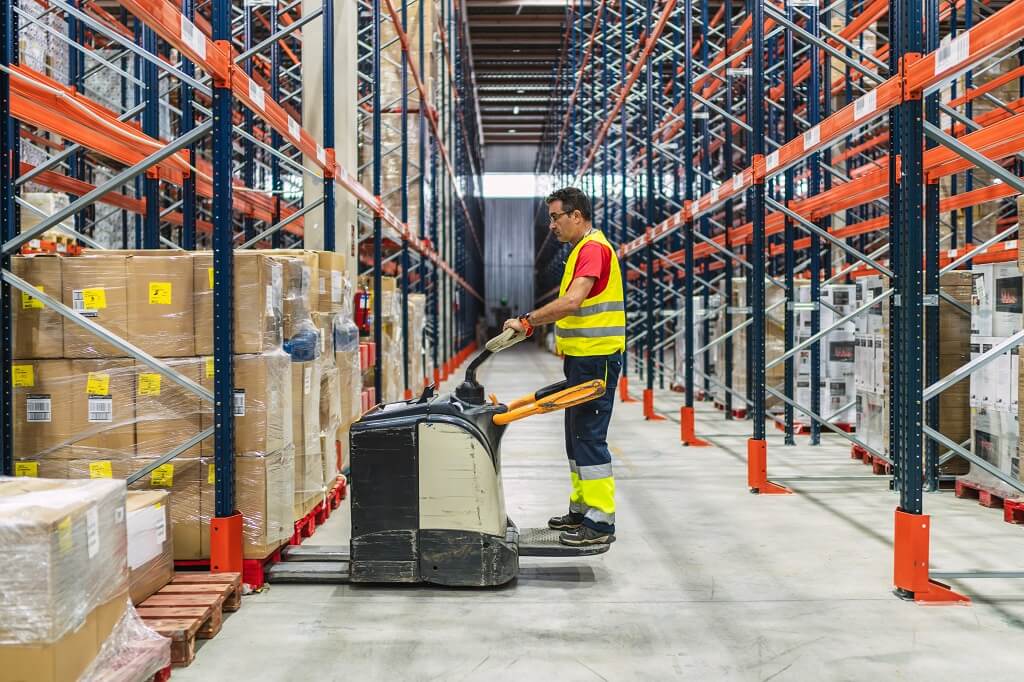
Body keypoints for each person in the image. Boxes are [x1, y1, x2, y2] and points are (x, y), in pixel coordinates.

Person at [503, 187, 624, 547]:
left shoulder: (592, 249)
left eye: (556, 217)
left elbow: (572, 302)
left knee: (589, 437)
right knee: (575, 438)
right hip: (581, 360)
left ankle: (600, 522)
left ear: (577, 215)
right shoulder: (580, 250)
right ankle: (581, 511)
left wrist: (527, 321)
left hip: (597, 359)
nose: (551, 225)